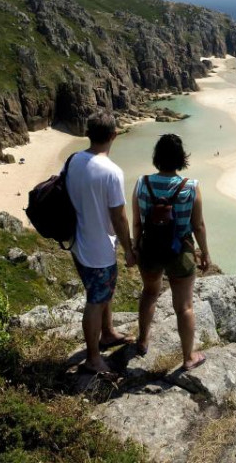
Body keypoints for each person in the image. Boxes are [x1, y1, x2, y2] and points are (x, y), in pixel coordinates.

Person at [132, 134, 211, 371]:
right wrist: (205, 253)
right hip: (181, 252)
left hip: (149, 250)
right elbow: (198, 226)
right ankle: (188, 358)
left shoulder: (142, 183)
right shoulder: (191, 186)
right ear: (181, 158)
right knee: (184, 306)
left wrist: (136, 248)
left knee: (149, 293)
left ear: (157, 157)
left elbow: (137, 222)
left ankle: (143, 341)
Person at [66, 112, 136, 375]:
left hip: (77, 242)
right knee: (95, 301)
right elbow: (119, 217)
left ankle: (107, 333)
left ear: (88, 134)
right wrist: (129, 249)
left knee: (102, 293)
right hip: (99, 249)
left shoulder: (72, 160)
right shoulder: (112, 172)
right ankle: (93, 358)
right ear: (114, 135)